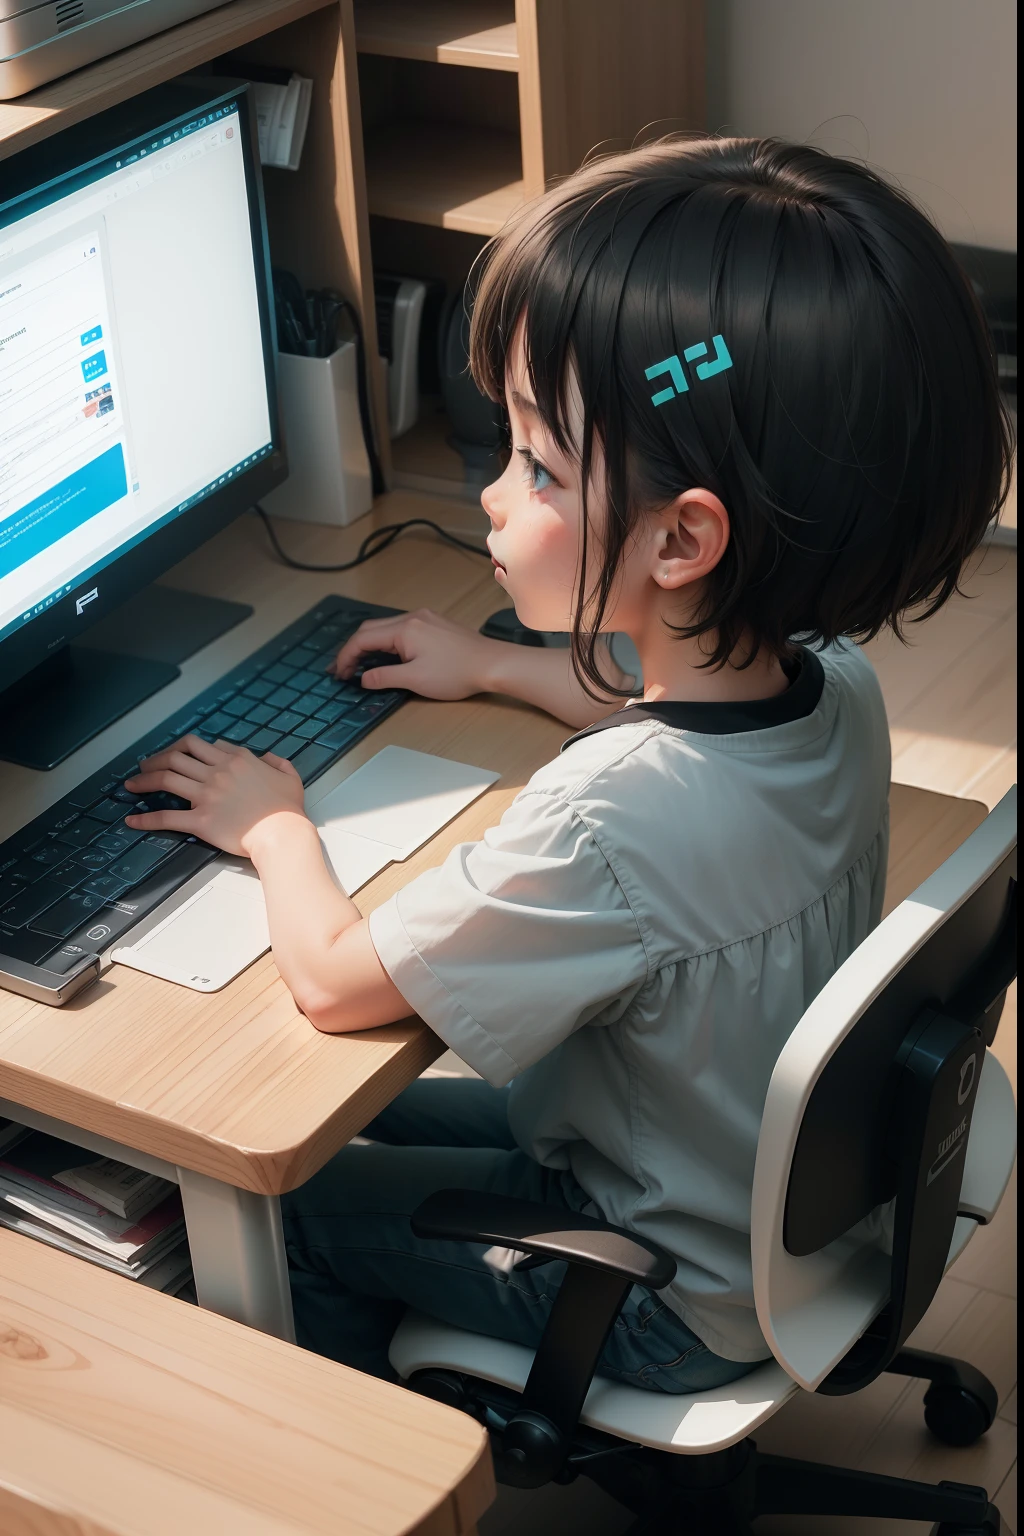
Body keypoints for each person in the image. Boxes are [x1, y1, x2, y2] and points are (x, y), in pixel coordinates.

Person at [123, 137, 1012, 1389]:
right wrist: (497, 668)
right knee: (356, 1127)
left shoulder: (606, 820)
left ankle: (411, 1471)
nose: (489, 494)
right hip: (764, 1192)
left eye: (535, 465)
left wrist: (272, 822)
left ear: (681, 540)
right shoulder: (836, 688)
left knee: (287, 1220)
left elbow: (331, 980)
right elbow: (686, 746)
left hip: (660, 1281)